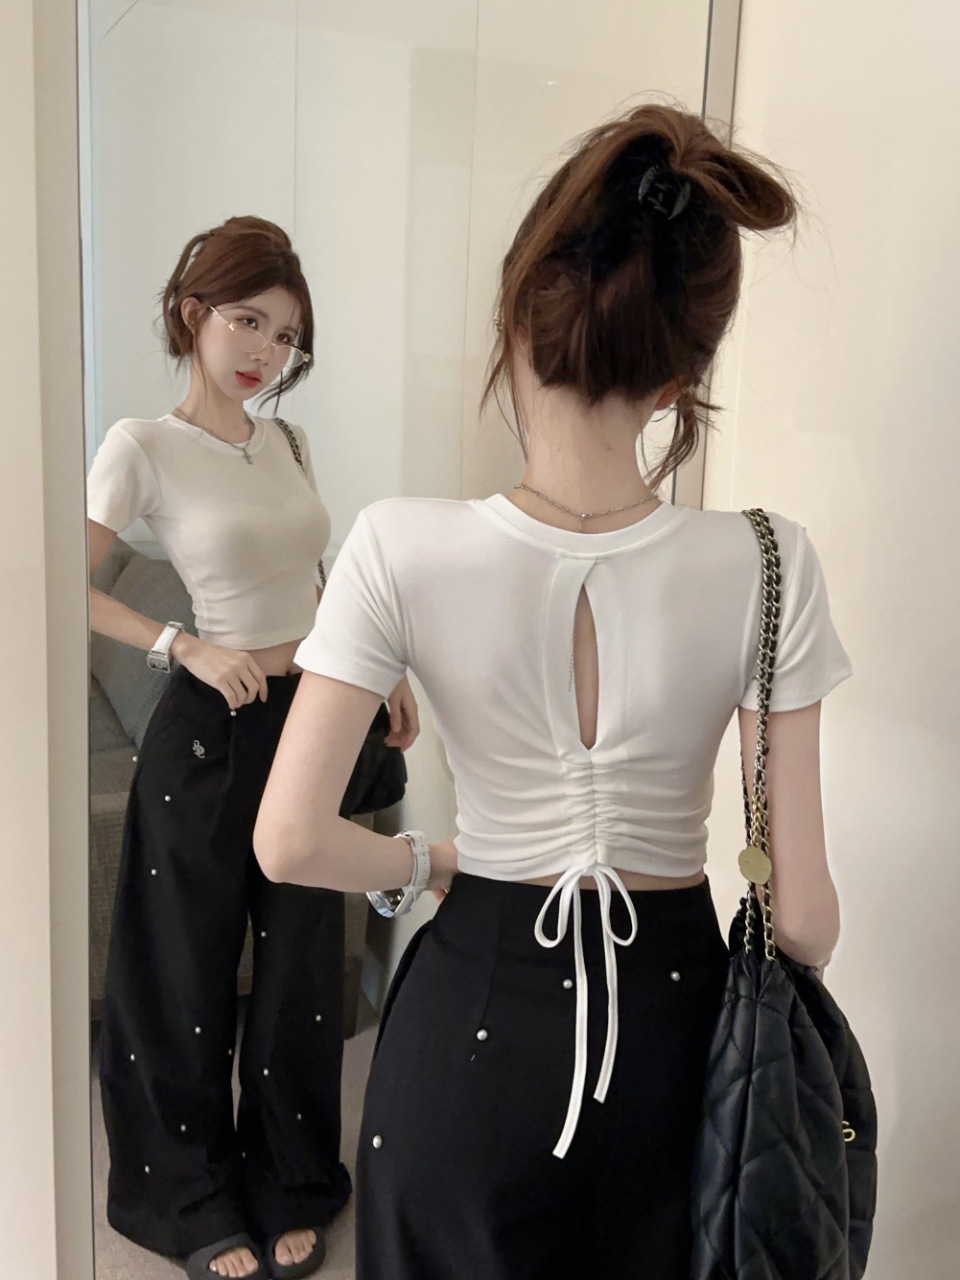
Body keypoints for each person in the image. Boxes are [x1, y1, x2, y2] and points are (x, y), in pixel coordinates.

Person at [253, 104, 851, 1280]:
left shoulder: (397, 543)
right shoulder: (769, 559)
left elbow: (289, 839)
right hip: (679, 1062)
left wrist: (432, 860)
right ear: (683, 374)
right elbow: (803, 923)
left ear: (517, 317)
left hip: (465, 1050)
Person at [87, 215, 419, 1280]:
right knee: (183, 967)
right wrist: (179, 643)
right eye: (247, 321)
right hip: (209, 728)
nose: (265, 352)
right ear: (195, 313)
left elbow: (322, 582)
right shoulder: (141, 445)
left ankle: (291, 1178)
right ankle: (186, 1193)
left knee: (300, 967)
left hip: (311, 712)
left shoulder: (288, 442)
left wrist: (379, 669)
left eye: (284, 336)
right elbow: (60, 580)